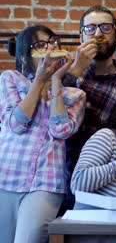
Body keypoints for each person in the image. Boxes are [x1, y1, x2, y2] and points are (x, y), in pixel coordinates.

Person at [0, 25, 86, 243]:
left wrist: (56, 82)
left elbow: (61, 130)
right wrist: (39, 81)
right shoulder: (10, 79)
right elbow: (16, 124)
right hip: (6, 175)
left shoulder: (75, 94)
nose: (49, 49)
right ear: (25, 55)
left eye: (53, 43)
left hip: (46, 182)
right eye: (40, 45)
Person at [60, 5, 116, 211]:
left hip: (106, 182)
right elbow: (50, 113)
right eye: (90, 29)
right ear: (81, 36)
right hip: (57, 175)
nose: (98, 34)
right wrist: (77, 69)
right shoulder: (62, 74)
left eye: (105, 28)